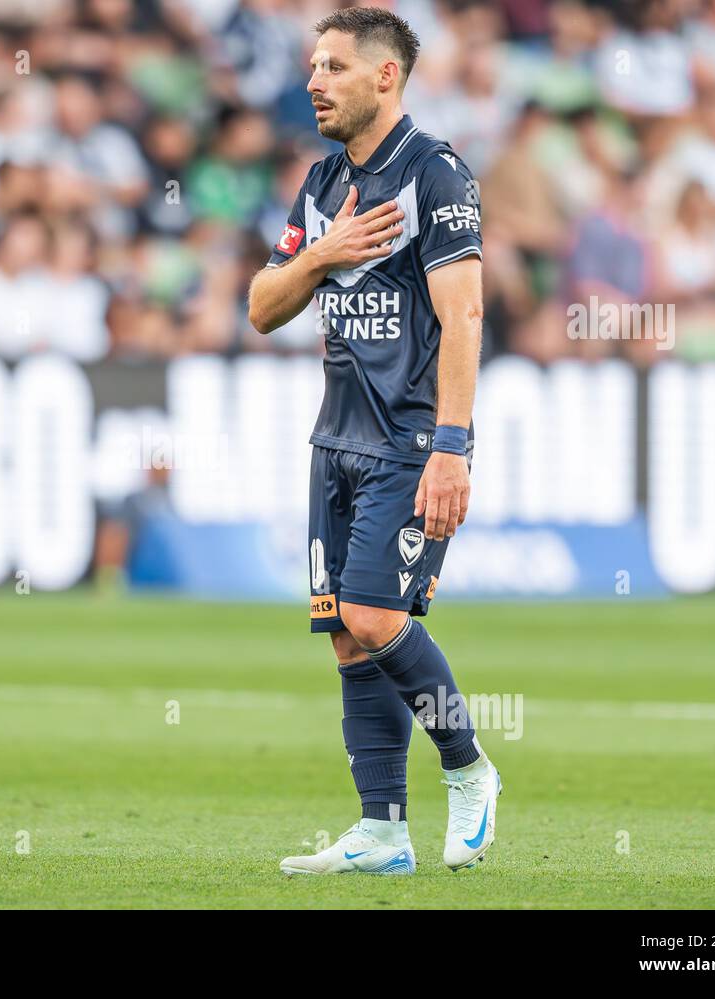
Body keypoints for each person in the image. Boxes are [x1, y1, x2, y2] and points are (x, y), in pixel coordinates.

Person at [246, 7, 499, 876]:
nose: (314, 81)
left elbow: (463, 314)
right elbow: (261, 306)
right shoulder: (321, 184)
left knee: (376, 615)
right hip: (337, 441)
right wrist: (324, 256)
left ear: (385, 76)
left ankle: (469, 770)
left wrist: (453, 445)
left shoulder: (436, 174)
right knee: (349, 639)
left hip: (411, 441)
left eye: (333, 67)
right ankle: (383, 832)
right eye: (313, 66)